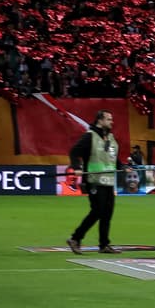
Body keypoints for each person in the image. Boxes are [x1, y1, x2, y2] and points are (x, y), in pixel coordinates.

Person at [66, 109, 120, 255]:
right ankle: (75, 238)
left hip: (108, 180)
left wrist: (123, 166)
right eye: (108, 119)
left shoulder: (110, 137)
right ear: (100, 120)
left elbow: (112, 157)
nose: (111, 122)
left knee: (107, 213)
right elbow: (74, 152)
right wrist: (76, 167)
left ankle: (104, 245)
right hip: (94, 180)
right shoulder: (90, 136)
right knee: (98, 211)